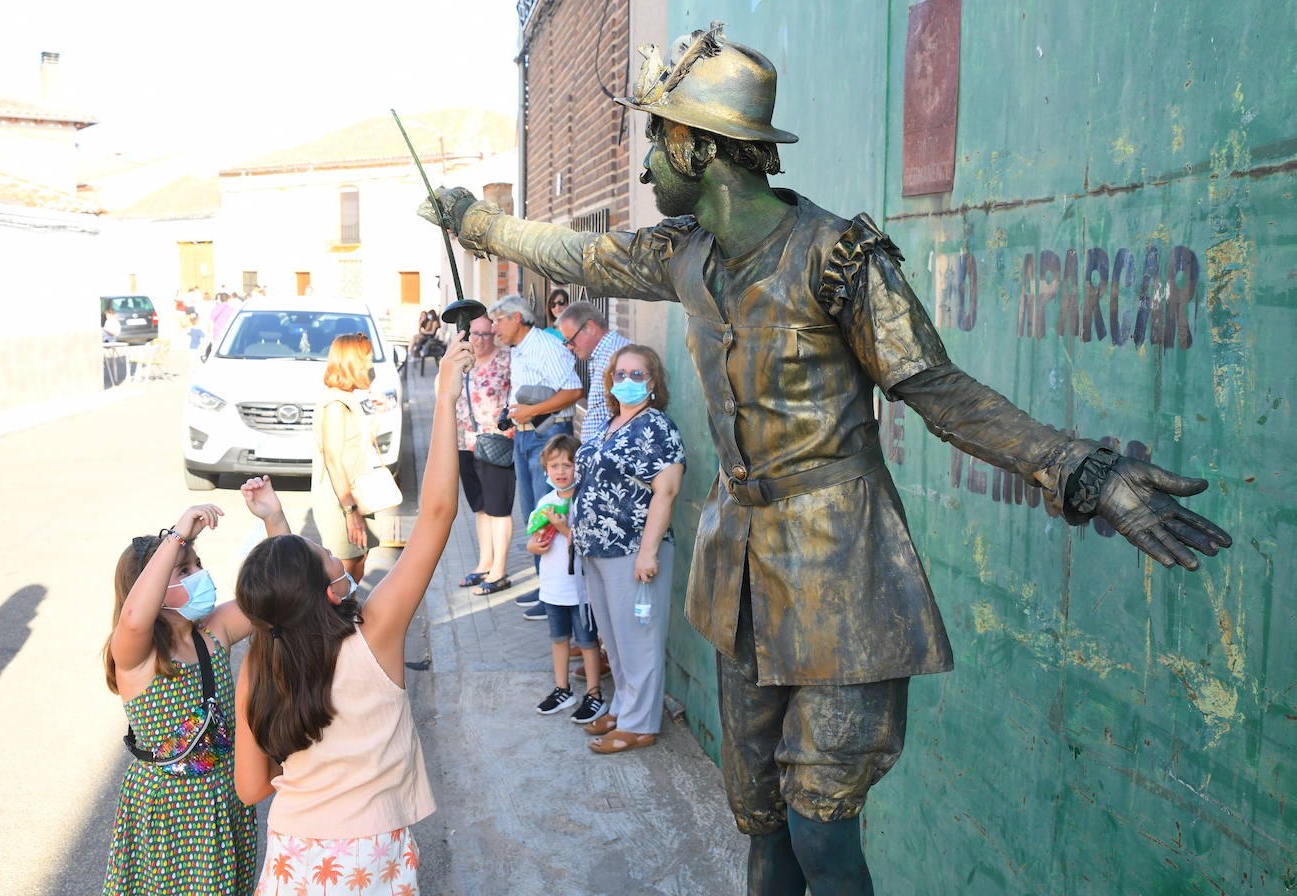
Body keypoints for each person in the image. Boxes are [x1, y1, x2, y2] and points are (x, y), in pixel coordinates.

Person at [417, 23, 1231, 893]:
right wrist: (475, 221)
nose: (648, 166)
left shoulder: (839, 259)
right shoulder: (685, 255)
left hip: (846, 574)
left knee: (821, 830)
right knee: (763, 824)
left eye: (659, 139)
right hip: (742, 581)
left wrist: (1086, 472)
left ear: (700, 147)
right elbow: (574, 252)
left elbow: (939, 391)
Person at [232, 338, 475, 895]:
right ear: (325, 590)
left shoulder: (261, 663)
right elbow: (438, 513)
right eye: (326, 556)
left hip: (293, 860)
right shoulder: (375, 635)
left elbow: (251, 788)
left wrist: (275, 526)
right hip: (371, 860)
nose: (334, 557)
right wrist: (444, 396)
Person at [101, 499, 274, 895]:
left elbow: (278, 596)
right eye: (183, 570)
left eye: (197, 564)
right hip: (168, 813)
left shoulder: (213, 631)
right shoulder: (137, 654)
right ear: (152, 588)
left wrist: (273, 518)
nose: (200, 575)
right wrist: (177, 536)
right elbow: (134, 618)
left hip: (224, 802)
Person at [571, 346, 684, 753]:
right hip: (597, 549)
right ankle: (623, 708)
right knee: (615, 641)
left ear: (653, 382)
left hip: (632, 550)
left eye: (638, 375)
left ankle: (639, 725)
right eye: (621, 374)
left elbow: (666, 492)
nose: (628, 381)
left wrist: (647, 552)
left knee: (639, 640)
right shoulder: (612, 423)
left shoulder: (657, 427)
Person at [487, 293, 584, 621]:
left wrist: (532, 411)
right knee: (534, 513)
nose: (494, 328)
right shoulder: (519, 348)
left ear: (517, 318)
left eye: (498, 320)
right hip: (526, 434)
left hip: (548, 434)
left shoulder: (543, 345)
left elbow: (574, 390)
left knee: (550, 511)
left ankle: (556, 594)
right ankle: (546, 586)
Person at [525, 434, 607, 723]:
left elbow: (585, 542)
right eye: (554, 465)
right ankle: (563, 689)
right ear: (546, 470)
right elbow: (533, 539)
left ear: (579, 467)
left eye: (567, 465)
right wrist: (534, 546)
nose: (560, 471)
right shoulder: (545, 502)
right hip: (553, 589)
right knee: (559, 640)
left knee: (587, 643)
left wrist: (561, 527)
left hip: (581, 591)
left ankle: (594, 694)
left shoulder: (585, 501)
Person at [313, 332, 391, 585]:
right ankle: (340, 612)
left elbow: (361, 444)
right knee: (342, 574)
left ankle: (350, 610)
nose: (370, 365)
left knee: (358, 563)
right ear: (352, 362)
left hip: (357, 494)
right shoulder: (335, 404)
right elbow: (333, 460)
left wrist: (379, 412)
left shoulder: (348, 398)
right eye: (366, 359)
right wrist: (350, 511)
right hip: (341, 500)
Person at [455, 314, 517, 594]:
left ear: (494, 334)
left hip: (496, 442)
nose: (480, 340)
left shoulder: (507, 360)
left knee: (498, 508)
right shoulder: (463, 362)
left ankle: (499, 572)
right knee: (480, 507)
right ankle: (484, 564)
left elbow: (519, 394)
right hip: (464, 441)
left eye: (485, 334)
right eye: (475, 334)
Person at [556, 301, 631, 444]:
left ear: (590, 328)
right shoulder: (603, 355)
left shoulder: (618, 355)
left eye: (570, 340)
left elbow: (630, 416)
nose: (569, 347)